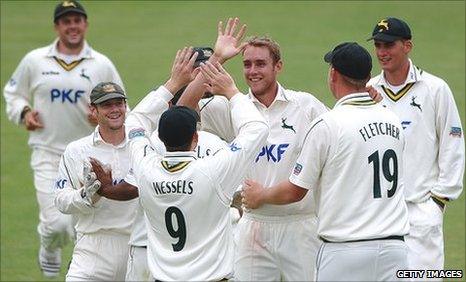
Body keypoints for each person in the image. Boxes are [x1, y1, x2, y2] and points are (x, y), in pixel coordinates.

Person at [242, 42, 410, 281]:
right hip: (395, 249)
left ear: (333, 75)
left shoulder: (327, 125)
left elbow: (296, 190)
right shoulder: (393, 120)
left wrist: (260, 195)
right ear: (368, 78)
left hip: (345, 249)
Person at [178, 18, 328, 281]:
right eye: (247, 64)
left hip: (300, 224)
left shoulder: (306, 105)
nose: (252, 71)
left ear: (278, 66)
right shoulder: (230, 106)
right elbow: (182, 110)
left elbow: (337, 135)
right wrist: (218, 59)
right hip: (253, 224)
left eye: (260, 63)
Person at [53, 47, 199, 281]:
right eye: (106, 105)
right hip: (92, 247)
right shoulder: (76, 150)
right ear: (94, 111)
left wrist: (177, 82)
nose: (114, 110)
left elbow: (153, 107)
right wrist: (88, 195)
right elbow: (61, 200)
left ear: (125, 106)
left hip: (139, 245)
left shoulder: (144, 143)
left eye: (118, 103)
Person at [2, 0, 124, 277]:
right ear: (57, 26)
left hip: (89, 155)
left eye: (77, 20)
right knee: (58, 225)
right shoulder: (35, 60)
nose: (72, 26)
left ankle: (81, 266)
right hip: (48, 152)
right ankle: (49, 246)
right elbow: (13, 92)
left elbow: (120, 101)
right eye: (66, 21)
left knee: (89, 219)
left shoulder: (101, 64)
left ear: (85, 24)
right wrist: (23, 113)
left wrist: (105, 117)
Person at [126, 61, 269, 281]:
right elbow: (257, 128)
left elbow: (135, 120)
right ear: (196, 138)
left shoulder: (145, 167)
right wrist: (232, 92)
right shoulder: (213, 170)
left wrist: (172, 84)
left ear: (161, 139)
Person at [367, 17, 465, 275]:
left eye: (388, 45)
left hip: (421, 210)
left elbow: (452, 144)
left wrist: (438, 201)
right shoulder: (369, 91)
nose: (381, 52)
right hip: (378, 212)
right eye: (378, 45)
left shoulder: (434, 89)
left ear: (407, 46)